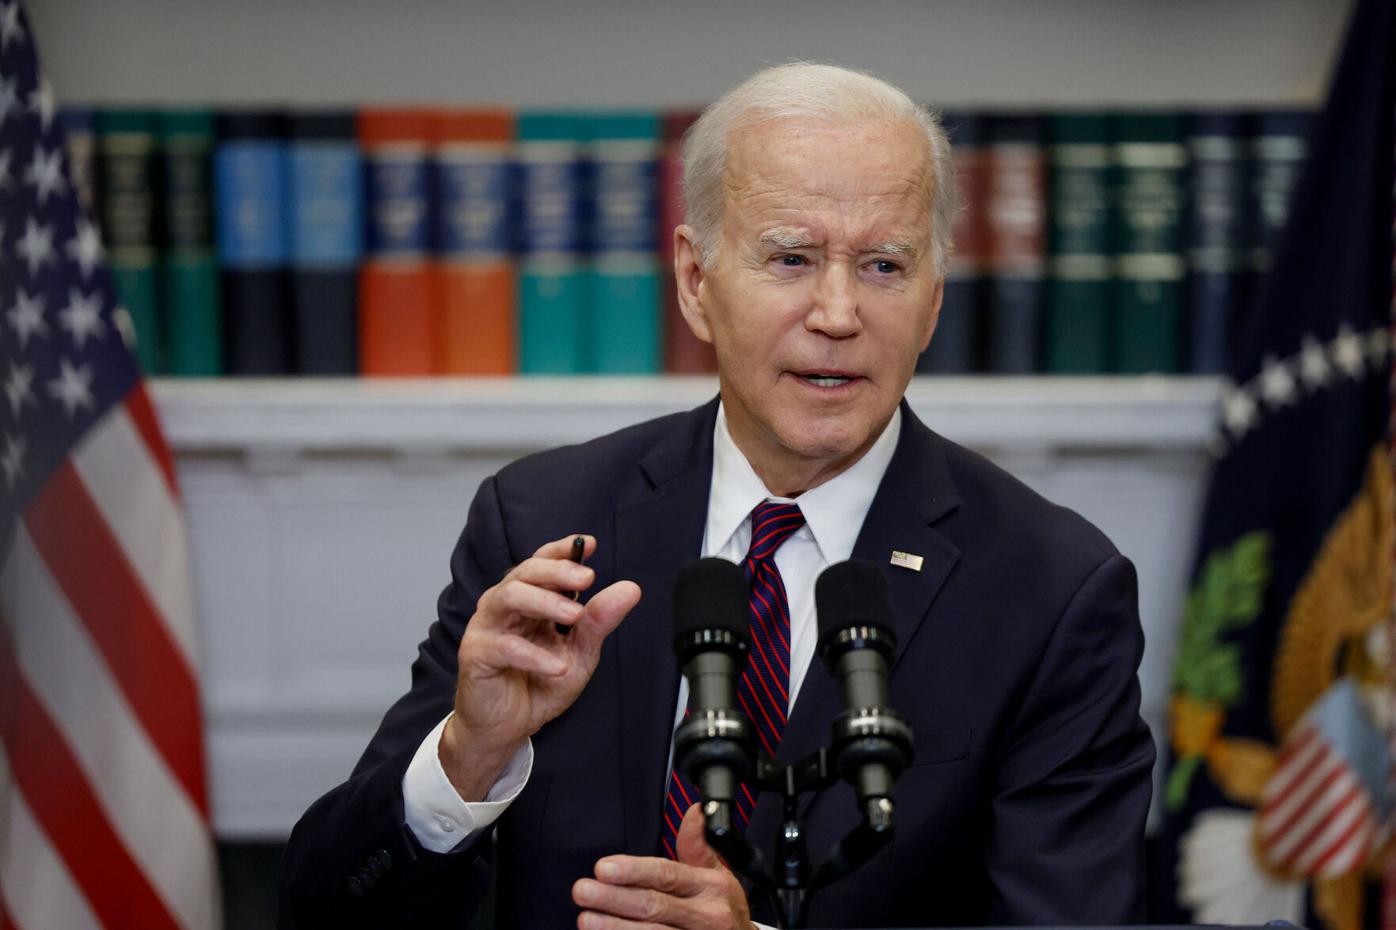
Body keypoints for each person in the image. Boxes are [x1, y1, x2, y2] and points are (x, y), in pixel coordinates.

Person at [279, 62, 1155, 929]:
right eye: (792, 258)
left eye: (885, 265)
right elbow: (323, 912)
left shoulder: (1051, 590)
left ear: (932, 300)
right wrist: (470, 756)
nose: (839, 312)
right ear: (696, 282)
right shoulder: (545, 523)